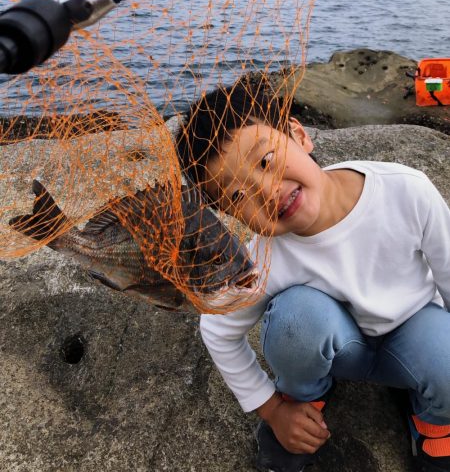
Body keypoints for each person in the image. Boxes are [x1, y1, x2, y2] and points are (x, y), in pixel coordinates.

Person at [176, 81, 450, 472]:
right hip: (342, 352)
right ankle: (304, 399)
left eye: (266, 161)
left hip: (414, 334)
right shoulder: (262, 259)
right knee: (295, 319)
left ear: (299, 134)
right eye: (236, 197)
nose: (267, 192)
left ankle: (433, 418)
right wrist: (271, 410)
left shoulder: (407, 191)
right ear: (232, 217)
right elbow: (218, 331)